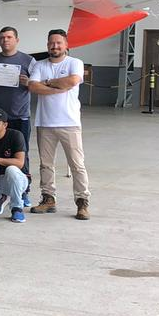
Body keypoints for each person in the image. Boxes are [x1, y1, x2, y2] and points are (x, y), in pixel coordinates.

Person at [28, 30, 91, 219]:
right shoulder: (39, 65)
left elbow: (72, 81)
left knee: (77, 165)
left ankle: (82, 203)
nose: (54, 46)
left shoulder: (75, 63)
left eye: (58, 43)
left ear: (66, 45)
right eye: (51, 43)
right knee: (46, 165)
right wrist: (58, 87)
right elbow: (33, 86)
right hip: (45, 123)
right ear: (47, 45)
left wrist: (47, 84)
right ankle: (48, 199)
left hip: (69, 123)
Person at [0, 26, 36, 184]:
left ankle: (24, 187)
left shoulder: (29, 61)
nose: (5, 40)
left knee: (22, 152)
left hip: (20, 116)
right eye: (2, 37)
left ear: (16, 40)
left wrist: (29, 82)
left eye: (9, 37)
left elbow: (38, 84)